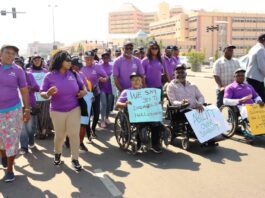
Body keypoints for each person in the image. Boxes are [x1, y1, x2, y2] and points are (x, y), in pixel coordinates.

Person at [40, 50, 86, 172]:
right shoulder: (49, 76)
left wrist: (83, 92)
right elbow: (42, 93)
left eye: (70, 60)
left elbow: (83, 88)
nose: (70, 62)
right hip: (57, 111)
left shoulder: (74, 74)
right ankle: (57, 154)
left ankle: (75, 159)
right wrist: (48, 93)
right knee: (60, 135)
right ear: (60, 61)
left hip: (74, 109)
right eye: (67, 60)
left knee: (74, 134)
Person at [0, 45, 30, 182]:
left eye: (13, 54)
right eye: (7, 52)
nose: (10, 56)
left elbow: (24, 91)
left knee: (11, 141)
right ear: (1, 54)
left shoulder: (18, 70)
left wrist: (27, 109)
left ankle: (10, 170)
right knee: (1, 142)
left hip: (12, 111)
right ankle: (4, 156)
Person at [116, 72, 163, 153]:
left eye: (138, 80)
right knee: (141, 123)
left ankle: (155, 144)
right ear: (131, 82)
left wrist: (158, 103)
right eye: (134, 80)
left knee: (157, 124)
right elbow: (117, 104)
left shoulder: (147, 92)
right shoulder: (126, 92)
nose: (136, 81)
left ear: (141, 81)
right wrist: (124, 104)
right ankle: (139, 142)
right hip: (133, 116)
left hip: (147, 114)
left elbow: (153, 103)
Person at [14, 57, 40, 155]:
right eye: (15, 65)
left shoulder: (29, 75)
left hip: (30, 103)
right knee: (22, 127)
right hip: (17, 105)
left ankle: (31, 140)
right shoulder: (11, 76)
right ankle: (24, 147)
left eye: (19, 65)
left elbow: (37, 87)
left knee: (31, 127)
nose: (17, 67)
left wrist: (29, 88)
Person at [81, 50, 107, 141]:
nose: (88, 60)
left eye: (90, 59)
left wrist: (103, 79)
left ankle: (93, 129)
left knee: (96, 113)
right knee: (87, 114)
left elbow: (106, 76)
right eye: (87, 59)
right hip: (86, 94)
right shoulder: (81, 68)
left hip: (96, 93)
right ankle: (88, 135)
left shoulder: (97, 66)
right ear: (84, 59)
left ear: (93, 59)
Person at [64, 56, 89, 152]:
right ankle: (68, 140)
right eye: (75, 66)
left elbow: (85, 87)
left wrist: (85, 92)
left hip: (81, 100)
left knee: (83, 123)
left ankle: (81, 142)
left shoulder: (78, 74)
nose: (77, 68)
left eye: (79, 66)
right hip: (69, 102)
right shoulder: (63, 75)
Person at [29, 54, 53, 139]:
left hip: (46, 97)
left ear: (41, 61)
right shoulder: (29, 72)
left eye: (39, 60)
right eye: (35, 60)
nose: (37, 61)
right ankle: (39, 132)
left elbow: (50, 82)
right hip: (35, 98)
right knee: (37, 116)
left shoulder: (46, 71)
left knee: (46, 116)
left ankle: (44, 131)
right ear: (32, 62)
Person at [246, 34, 265, 102]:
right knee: (261, 100)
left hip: (250, 77)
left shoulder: (253, 48)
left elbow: (247, 63)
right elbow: (262, 66)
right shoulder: (261, 49)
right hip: (257, 79)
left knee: (253, 99)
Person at [99, 51, 114, 128]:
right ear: (102, 58)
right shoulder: (99, 66)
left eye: (107, 57)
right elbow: (96, 76)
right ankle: (102, 120)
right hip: (102, 88)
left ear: (109, 58)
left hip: (110, 88)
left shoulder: (112, 66)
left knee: (108, 104)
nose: (106, 58)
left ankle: (107, 118)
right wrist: (100, 78)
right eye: (104, 57)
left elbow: (115, 75)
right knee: (104, 104)